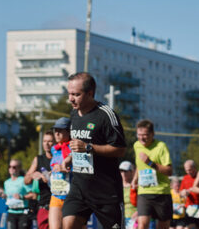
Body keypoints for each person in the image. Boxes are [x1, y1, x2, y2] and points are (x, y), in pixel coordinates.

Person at [62, 72, 127, 229]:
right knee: (68, 224)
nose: (71, 98)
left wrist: (89, 148)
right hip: (79, 187)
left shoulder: (106, 115)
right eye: (69, 93)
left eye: (76, 94)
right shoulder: (74, 114)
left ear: (90, 93)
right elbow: (78, 144)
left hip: (105, 190)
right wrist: (70, 157)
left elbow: (120, 149)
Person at [133, 119, 174, 229]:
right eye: (139, 135)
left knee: (163, 227)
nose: (142, 138)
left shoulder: (161, 146)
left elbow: (169, 171)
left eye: (145, 135)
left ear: (152, 134)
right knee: (142, 224)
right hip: (144, 191)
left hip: (161, 193)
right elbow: (139, 165)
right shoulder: (136, 145)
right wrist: (134, 179)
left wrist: (150, 163)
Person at [24, 131, 55, 229]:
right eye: (44, 141)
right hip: (43, 205)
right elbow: (26, 180)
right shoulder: (38, 159)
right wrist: (33, 175)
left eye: (50, 141)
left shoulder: (60, 157)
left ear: (55, 143)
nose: (46, 144)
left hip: (59, 203)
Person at [0, 159, 37, 229]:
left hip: (23, 213)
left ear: (19, 168)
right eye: (9, 166)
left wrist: (22, 197)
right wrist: (2, 195)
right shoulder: (6, 182)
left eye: (14, 167)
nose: (11, 169)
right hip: (11, 212)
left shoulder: (23, 180)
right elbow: (8, 197)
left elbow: (33, 195)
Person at [49, 118, 73, 229]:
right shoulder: (54, 149)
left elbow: (82, 170)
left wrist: (65, 169)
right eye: (55, 130)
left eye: (60, 130)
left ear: (69, 131)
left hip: (71, 196)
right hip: (56, 194)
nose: (57, 133)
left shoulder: (74, 147)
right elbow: (55, 167)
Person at [120, 161, 138, 229]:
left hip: (134, 219)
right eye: (121, 171)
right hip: (121, 219)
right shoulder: (117, 187)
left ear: (132, 172)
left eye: (125, 171)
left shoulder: (136, 186)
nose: (123, 173)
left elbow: (144, 202)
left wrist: (138, 212)